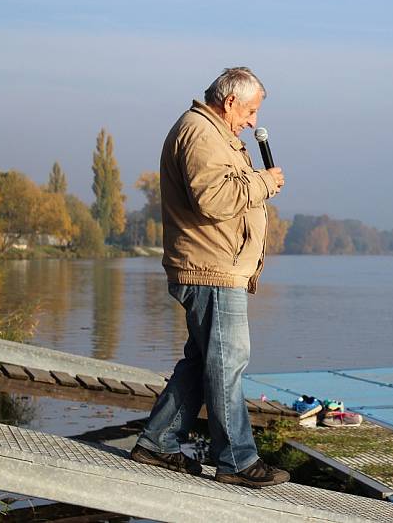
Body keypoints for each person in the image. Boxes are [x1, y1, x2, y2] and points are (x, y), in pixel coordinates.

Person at [131, 67, 289, 489]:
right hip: (211, 269)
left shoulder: (213, 132)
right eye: (251, 110)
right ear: (231, 101)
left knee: (204, 362)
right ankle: (236, 460)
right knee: (227, 365)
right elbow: (214, 200)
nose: (253, 121)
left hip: (216, 266)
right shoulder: (201, 133)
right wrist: (262, 183)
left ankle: (158, 442)